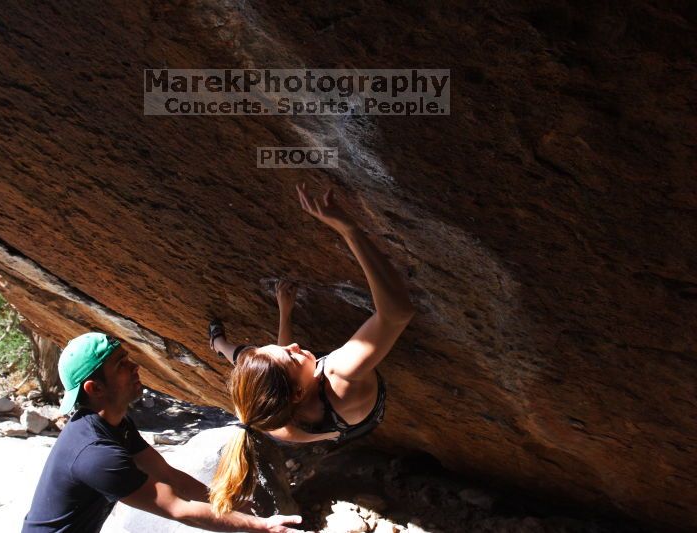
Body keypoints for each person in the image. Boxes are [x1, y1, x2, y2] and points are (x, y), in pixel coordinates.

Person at [208, 184, 415, 514]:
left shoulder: (267, 418)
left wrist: (285, 312)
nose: (291, 345)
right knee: (253, 357)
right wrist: (349, 229)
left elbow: (276, 365)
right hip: (362, 407)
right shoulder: (339, 373)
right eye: (291, 355)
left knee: (246, 355)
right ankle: (224, 347)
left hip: (339, 425)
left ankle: (218, 344)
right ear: (295, 394)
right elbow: (397, 312)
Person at [22, 332, 305, 533]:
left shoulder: (114, 425)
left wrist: (226, 501)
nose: (135, 366)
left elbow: (168, 475)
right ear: (94, 389)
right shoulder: (95, 454)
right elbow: (177, 508)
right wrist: (262, 526)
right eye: (121, 364)